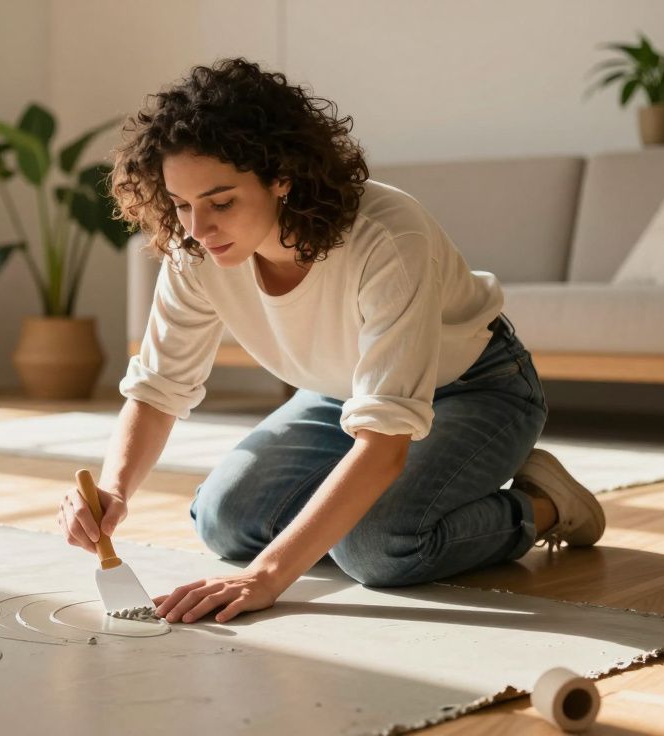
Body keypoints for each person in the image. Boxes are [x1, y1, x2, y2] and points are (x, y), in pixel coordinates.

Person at [55, 58, 605, 626]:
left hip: (476, 388)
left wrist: (266, 575)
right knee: (223, 519)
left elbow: (384, 443)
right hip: (340, 395)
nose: (197, 228)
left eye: (221, 202)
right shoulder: (193, 250)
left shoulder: (386, 236)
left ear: (281, 176)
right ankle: (378, 504)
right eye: (181, 203)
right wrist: (114, 490)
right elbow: (158, 390)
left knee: (377, 548)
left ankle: (544, 504)